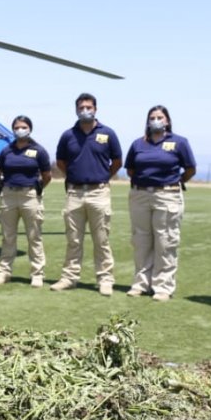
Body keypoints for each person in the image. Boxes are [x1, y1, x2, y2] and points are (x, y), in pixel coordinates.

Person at [51, 93, 122, 296]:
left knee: (101, 239)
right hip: (74, 192)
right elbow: (61, 162)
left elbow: (117, 161)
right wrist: (74, 176)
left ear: (95, 109)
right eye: (81, 107)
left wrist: (102, 176)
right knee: (73, 239)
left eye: (88, 107)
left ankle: (105, 279)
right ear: (76, 110)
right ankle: (69, 278)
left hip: (99, 192)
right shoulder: (68, 135)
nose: (85, 110)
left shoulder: (108, 133)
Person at [123, 105, 196, 301]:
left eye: (160, 117)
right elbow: (130, 169)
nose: (156, 120)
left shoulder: (179, 142)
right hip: (140, 195)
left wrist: (175, 182)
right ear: (147, 121)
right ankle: (141, 283)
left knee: (165, 240)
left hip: (167, 195)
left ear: (167, 121)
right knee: (141, 241)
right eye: (152, 117)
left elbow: (190, 169)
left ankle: (163, 287)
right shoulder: (139, 144)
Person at [0, 115, 52, 287]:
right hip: (9, 196)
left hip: (30, 196)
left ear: (30, 129)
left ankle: (37, 274)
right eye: (17, 127)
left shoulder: (38, 150)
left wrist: (37, 188)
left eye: (24, 127)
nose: (20, 130)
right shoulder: (7, 150)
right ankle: (4, 272)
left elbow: (47, 175)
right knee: (7, 236)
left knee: (34, 237)